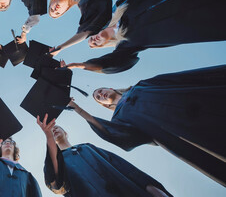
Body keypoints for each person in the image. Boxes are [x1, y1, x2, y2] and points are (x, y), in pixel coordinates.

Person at [52, 0, 226, 74]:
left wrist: (60, 46)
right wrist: (83, 65)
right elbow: (117, 62)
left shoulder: (119, 7)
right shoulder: (127, 44)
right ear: (103, 47)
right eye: (94, 45)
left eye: (91, 40)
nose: (93, 40)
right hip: (193, 13)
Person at [67, 65, 226, 186]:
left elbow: (178, 79)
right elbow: (114, 134)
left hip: (200, 102)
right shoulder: (120, 119)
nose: (101, 94)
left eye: (100, 91)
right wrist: (78, 109)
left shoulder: (141, 86)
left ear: (109, 88)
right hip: (184, 132)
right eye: (98, 97)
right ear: (103, 105)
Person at [37, 114, 172, 197]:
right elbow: (56, 183)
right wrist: (48, 136)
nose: (54, 129)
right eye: (52, 130)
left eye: (57, 127)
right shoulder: (57, 161)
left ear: (66, 133)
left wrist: (151, 187)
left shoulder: (88, 148)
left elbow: (124, 168)